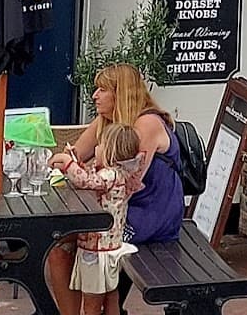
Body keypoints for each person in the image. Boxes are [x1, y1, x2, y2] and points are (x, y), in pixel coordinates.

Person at [47, 64, 184, 315]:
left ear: (120, 94)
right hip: (119, 208)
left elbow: (126, 185)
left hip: (149, 214)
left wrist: (78, 172)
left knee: (75, 242)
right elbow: (74, 154)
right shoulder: (107, 120)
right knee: (59, 244)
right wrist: (69, 164)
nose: (94, 95)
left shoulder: (147, 124)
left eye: (102, 89)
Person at [61, 122, 143, 315]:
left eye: (101, 145)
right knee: (111, 295)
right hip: (112, 248)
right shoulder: (121, 173)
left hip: (96, 251)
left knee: (92, 301)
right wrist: (78, 164)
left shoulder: (109, 174)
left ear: (110, 151)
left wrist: (67, 163)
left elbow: (85, 181)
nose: (96, 148)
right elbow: (93, 180)